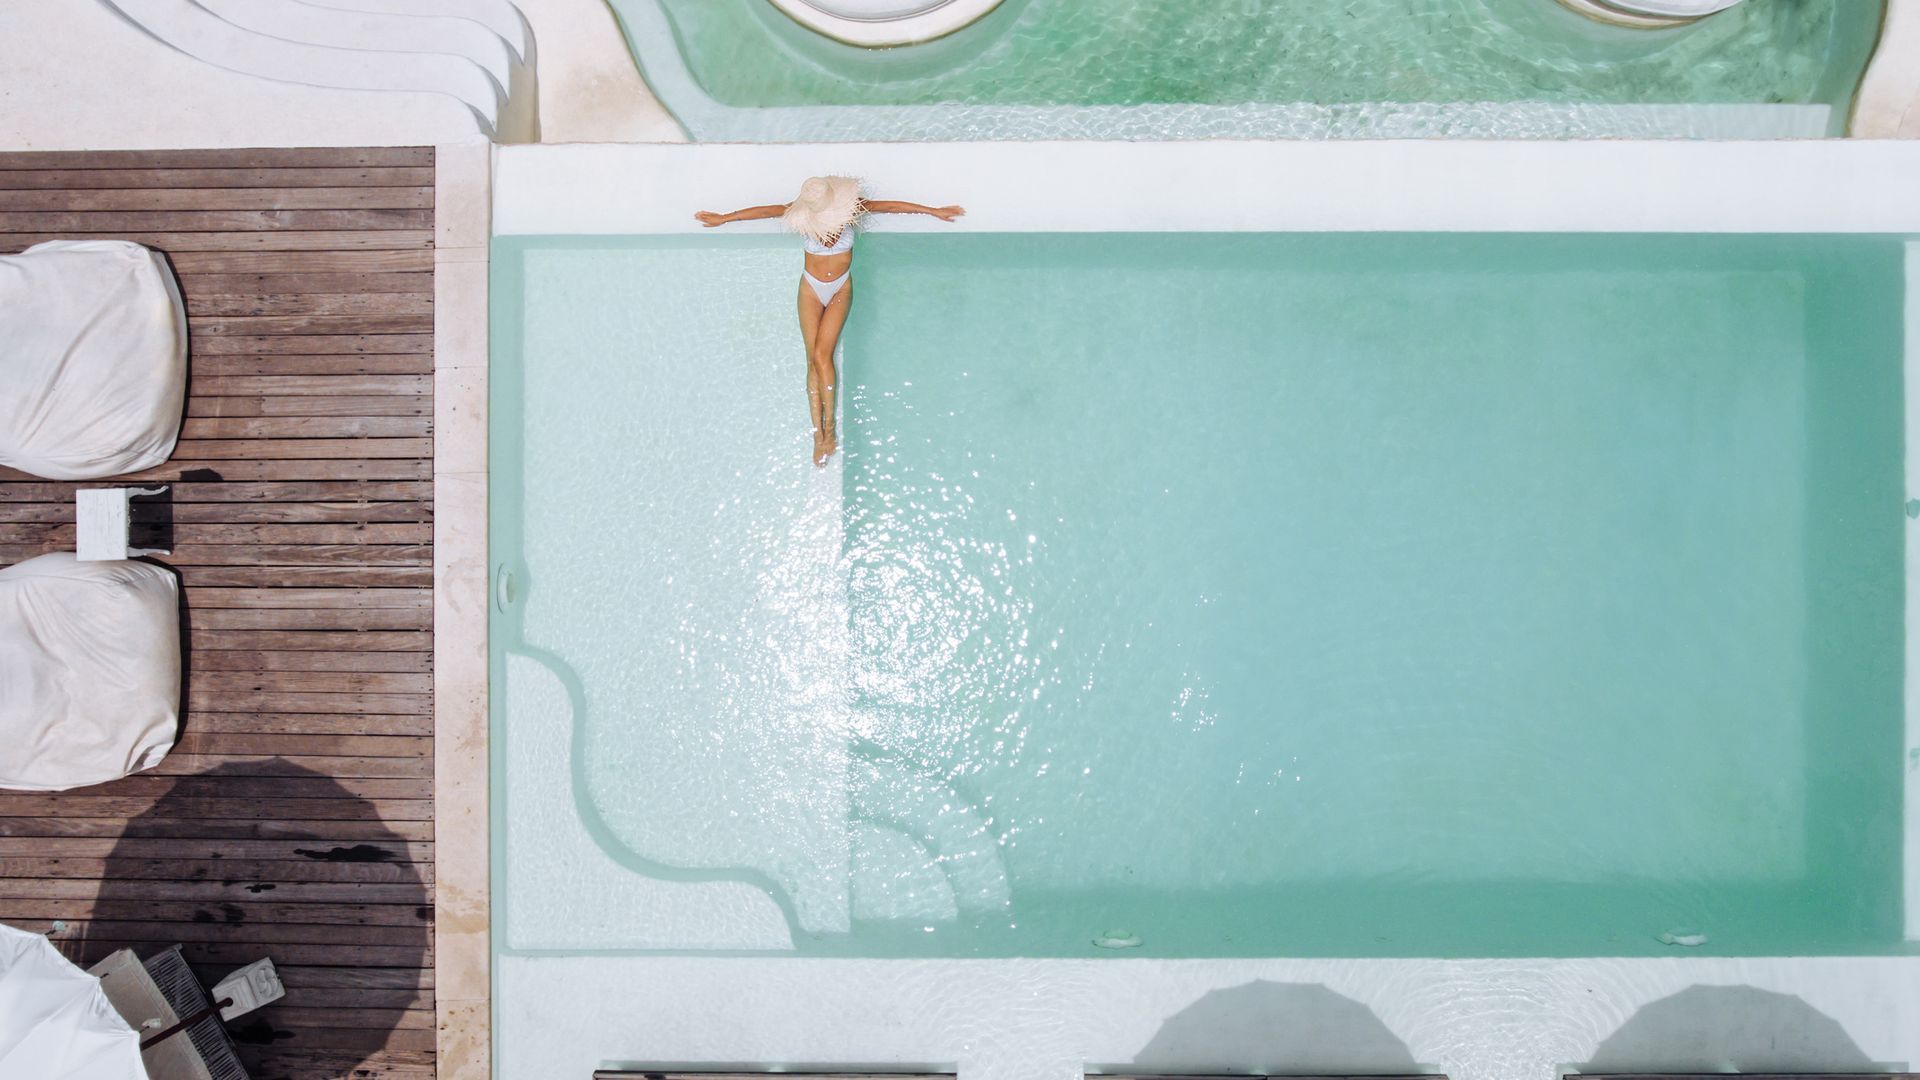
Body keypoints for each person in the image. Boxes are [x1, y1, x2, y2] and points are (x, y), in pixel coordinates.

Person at [697, 176, 964, 465]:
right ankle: (818, 435)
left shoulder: (851, 208)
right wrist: (724, 218)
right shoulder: (803, 213)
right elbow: (766, 211)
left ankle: (831, 428)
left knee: (822, 356)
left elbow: (889, 206)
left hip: (839, 289)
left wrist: (933, 211)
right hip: (810, 289)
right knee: (811, 360)